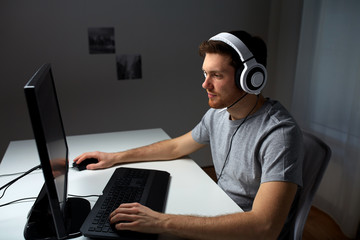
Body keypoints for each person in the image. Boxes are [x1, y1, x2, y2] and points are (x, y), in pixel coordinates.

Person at [74, 30, 303, 240]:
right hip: (219, 211)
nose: (205, 84)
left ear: (251, 78)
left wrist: (161, 222)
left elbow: (264, 227)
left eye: (217, 75)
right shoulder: (219, 114)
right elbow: (176, 147)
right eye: (205, 73)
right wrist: (114, 158)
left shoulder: (278, 134)